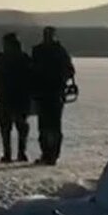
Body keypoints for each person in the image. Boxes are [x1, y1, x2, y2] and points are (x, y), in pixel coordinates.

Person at [30, 26, 76, 165]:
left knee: (52, 126)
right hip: (45, 93)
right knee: (45, 126)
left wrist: (59, 80)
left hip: (53, 93)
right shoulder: (44, 51)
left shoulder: (56, 51)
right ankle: (47, 153)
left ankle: (52, 154)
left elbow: (69, 71)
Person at [0, 33, 32, 163]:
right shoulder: (22, 58)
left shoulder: (6, 59)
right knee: (11, 126)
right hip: (12, 98)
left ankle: (16, 153)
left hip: (15, 97)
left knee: (15, 126)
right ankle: (13, 153)